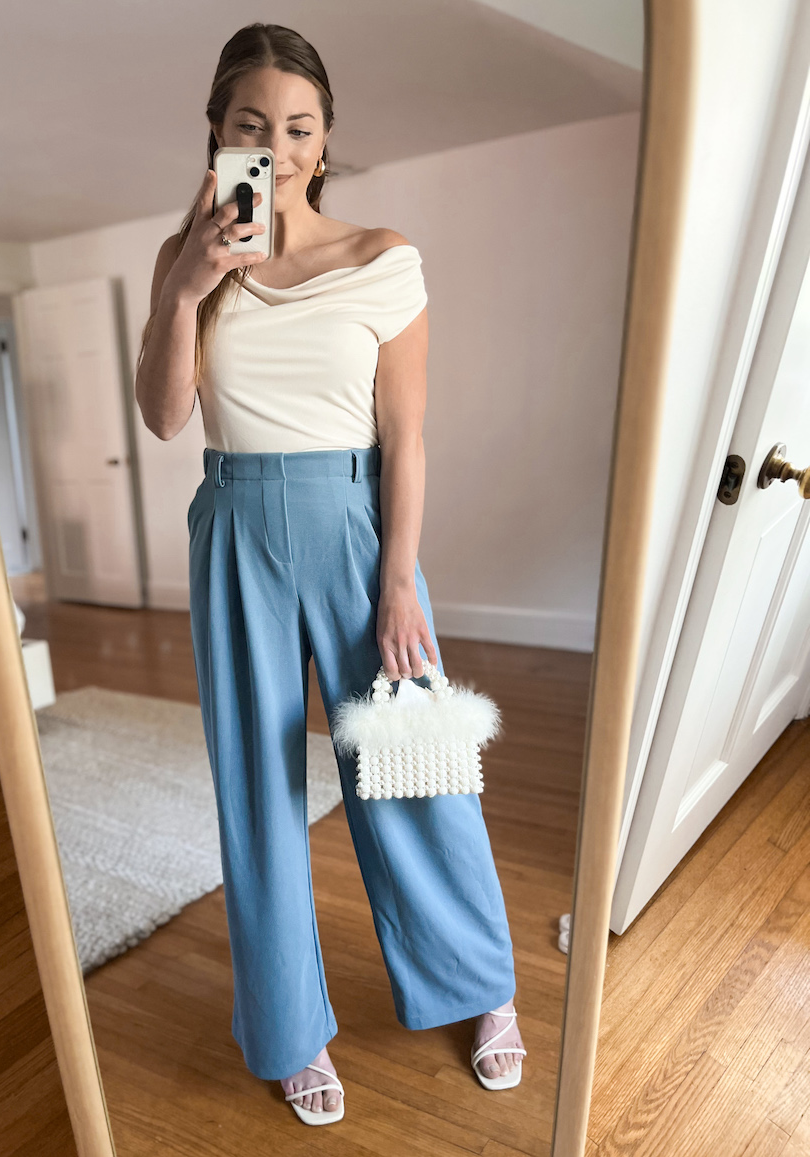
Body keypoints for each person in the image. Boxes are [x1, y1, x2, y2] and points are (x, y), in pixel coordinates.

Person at [135, 22, 525, 1125]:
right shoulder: (187, 264)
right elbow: (166, 418)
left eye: (300, 127)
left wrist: (401, 580)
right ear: (217, 130)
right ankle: (286, 1026)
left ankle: (479, 984)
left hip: (358, 529)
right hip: (235, 527)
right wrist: (187, 285)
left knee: (415, 766)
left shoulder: (383, 258)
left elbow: (409, 434)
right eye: (253, 124)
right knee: (256, 789)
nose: (280, 144)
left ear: (327, 137)